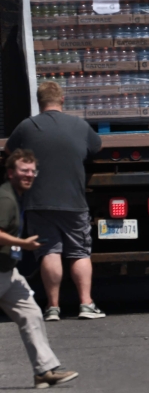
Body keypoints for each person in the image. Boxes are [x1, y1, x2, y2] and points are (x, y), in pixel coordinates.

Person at [4, 82, 104, 322]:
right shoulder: (79, 125)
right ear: (62, 100)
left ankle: (52, 307)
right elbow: (96, 147)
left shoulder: (27, 126)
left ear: (39, 103)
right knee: (79, 252)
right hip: (73, 200)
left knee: (49, 251)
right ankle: (86, 304)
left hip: (38, 202)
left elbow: (9, 150)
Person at [0, 150, 79, 388]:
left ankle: (44, 371)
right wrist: (22, 243)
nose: (29, 175)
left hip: (8, 272)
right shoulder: (5, 199)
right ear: (11, 173)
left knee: (31, 314)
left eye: (33, 171)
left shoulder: (17, 195)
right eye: (24, 170)